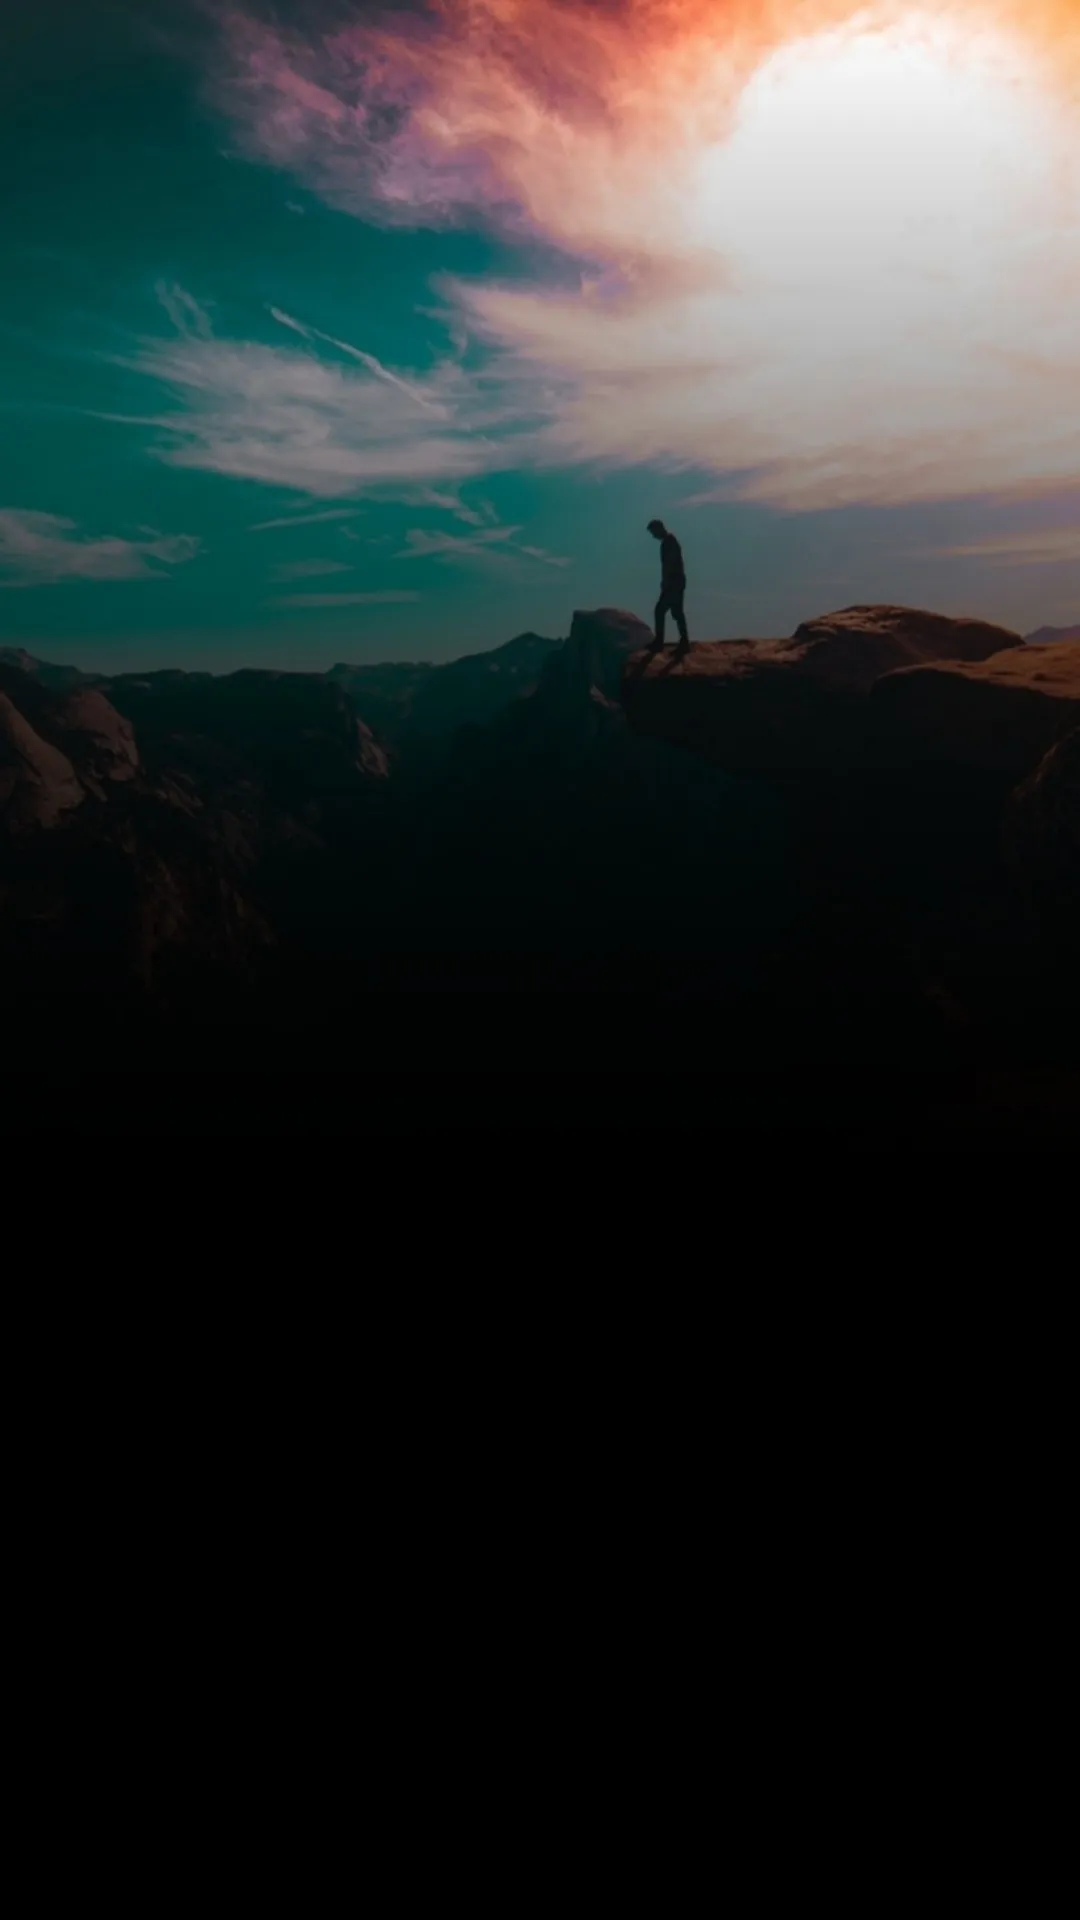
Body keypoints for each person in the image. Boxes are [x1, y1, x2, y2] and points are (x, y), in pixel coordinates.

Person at [647, 519, 689, 650]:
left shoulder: (669, 542)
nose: (653, 536)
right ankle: (683, 641)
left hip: (673, 583)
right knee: (676, 612)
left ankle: (660, 642)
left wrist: (666, 581)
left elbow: (669, 564)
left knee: (661, 610)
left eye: (653, 532)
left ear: (659, 529)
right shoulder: (669, 541)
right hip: (676, 581)